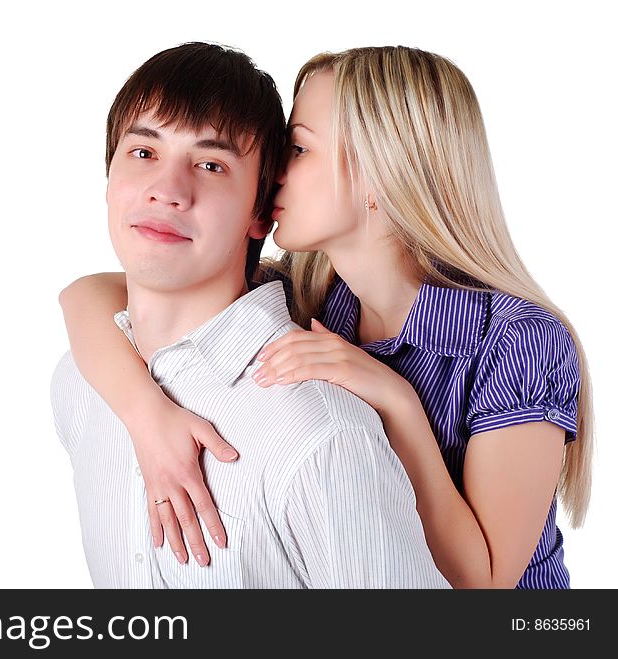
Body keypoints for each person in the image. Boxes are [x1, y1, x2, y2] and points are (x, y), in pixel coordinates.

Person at [59, 46, 593, 589]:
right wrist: (147, 416)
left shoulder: (519, 341)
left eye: (296, 148)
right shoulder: (315, 293)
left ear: (379, 174)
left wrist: (397, 404)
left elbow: (485, 585)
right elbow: (90, 296)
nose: (273, 174)